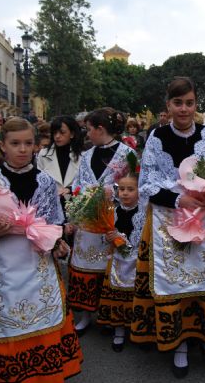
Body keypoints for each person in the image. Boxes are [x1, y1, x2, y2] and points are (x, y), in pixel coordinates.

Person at [130, 77, 205, 378]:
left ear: (196, 105)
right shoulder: (156, 137)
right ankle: (180, 344)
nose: (183, 109)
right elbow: (147, 184)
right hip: (168, 220)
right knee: (176, 284)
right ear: (168, 105)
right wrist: (179, 198)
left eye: (189, 103)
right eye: (177, 102)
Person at [0, 117, 81, 382]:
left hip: (38, 263)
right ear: (2, 146)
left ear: (35, 146)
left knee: (42, 318)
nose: (22, 149)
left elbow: (55, 221)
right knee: (1, 322)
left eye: (28, 143)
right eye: (15, 143)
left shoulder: (46, 182)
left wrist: (58, 242)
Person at [68, 108, 134, 333]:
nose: (87, 134)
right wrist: (78, 196)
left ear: (100, 129)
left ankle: (114, 317)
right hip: (87, 222)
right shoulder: (86, 155)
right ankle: (86, 314)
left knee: (113, 269)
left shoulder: (127, 154)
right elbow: (78, 183)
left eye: (89, 129)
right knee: (84, 267)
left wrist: (112, 190)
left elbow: (135, 185)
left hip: (112, 220)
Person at [96, 170, 144, 352]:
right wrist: (108, 238)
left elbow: (142, 240)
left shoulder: (144, 213)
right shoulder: (113, 211)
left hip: (137, 262)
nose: (124, 193)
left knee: (134, 299)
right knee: (117, 298)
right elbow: (104, 235)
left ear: (139, 190)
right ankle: (118, 331)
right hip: (117, 261)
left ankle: (137, 329)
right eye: (121, 189)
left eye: (130, 189)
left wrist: (122, 239)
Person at [37, 115, 83, 207]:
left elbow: (86, 182)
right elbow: (39, 181)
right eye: (54, 133)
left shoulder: (83, 155)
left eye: (62, 133)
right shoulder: (44, 154)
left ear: (72, 134)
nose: (57, 136)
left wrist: (70, 189)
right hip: (50, 204)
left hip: (75, 204)